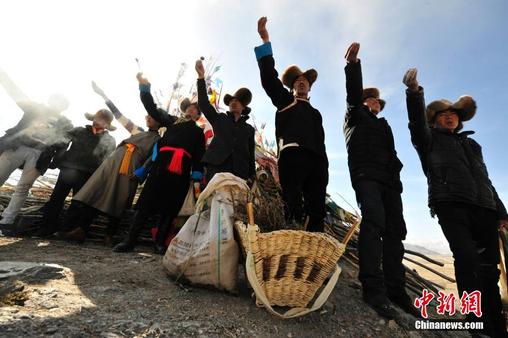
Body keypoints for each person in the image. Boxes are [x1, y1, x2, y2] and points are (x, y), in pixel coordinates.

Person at [404, 68, 508, 337]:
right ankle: (477, 324)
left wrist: (501, 211)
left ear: (459, 121)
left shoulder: (473, 146)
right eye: (443, 114)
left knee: (489, 270)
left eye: (453, 114)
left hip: (485, 208)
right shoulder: (427, 140)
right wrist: (414, 93)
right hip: (450, 203)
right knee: (466, 258)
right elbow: (416, 123)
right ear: (435, 121)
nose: (449, 116)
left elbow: (485, 179)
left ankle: (496, 326)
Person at [343, 42, 414, 319]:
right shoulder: (354, 115)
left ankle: (397, 290)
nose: (375, 103)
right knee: (373, 224)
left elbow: (393, 154)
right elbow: (352, 94)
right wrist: (353, 65)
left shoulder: (384, 125)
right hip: (366, 175)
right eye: (371, 100)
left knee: (396, 231)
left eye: (377, 102)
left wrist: (396, 179)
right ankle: (372, 289)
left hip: (389, 181)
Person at [57, 80, 162, 244]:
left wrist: (143, 171)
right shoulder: (137, 131)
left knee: (119, 199)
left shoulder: (159, 140)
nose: (148, 117)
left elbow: (154, 158)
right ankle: (80, 230)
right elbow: (118, 115)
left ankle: (109, 235)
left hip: (129, 169)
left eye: (153, 116)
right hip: (112, 164)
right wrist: (103, 95)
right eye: (148, 115)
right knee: (94, 192)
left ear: (160, 121)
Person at [113, 73, 205, 254]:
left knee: (169, 209)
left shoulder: (198, 133)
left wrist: (197, 174)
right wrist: (144, 88)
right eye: (190, 107)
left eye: (195, 108)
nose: (191, 109)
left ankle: (159, 242)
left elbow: (199, 155)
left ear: (198, 114)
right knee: (145, 204)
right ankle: (130, 240)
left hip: (180, 172)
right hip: (160, 167)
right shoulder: (171, 121)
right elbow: (152, 108)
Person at [254, 17, 328, 232]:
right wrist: (266, 41)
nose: (302, 82)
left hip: (317, 162)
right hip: (293, 158)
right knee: (293, 207)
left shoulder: (316, 114)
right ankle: (289, 251)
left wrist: (324, 166)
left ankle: (313, 258)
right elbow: (269, 80)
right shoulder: (286, 102)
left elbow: (321, 142)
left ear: (310, 88)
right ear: (292, 87)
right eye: (298, 81)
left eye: (306, 80)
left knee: (317, 212)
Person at [0, 68, 72, 231]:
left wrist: (56, 161)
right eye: (55, 100)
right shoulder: (35, 108)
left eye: (60, 103)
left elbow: (64, 143)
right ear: (50, 100)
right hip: (17, 146)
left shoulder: (65, 122)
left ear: (63, 107)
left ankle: (7, 220)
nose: (56, 104)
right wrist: (3, 76)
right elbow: (16, 93)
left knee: (23, 187)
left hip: (40, 155)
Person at [34, 109, 117, 237]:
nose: (98, 121)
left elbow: (107, 162)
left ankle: (67, 231)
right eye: (97, 117)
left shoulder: (110, 140)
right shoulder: (78, 131)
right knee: (56, 199)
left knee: (77, 204)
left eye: (103, 120)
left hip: (89, 175)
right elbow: (60, 142)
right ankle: (46, 228)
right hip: (68, 170)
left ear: (107, 124)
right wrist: (53, 160)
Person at [195, 59, 255, 184]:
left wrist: (252, 175)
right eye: (232, 101)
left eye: (237, 101)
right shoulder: (220, 118)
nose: (233, 102)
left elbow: (251, 152)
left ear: (243, 107)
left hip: (240, 173)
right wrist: (201, 78)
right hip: (216, 167)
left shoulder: (249, 129)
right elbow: (203, 104)